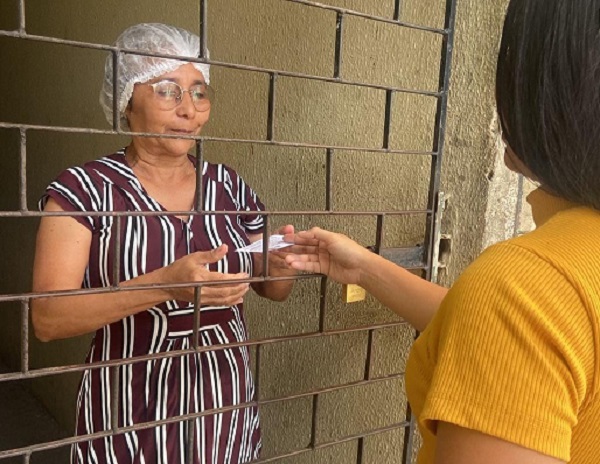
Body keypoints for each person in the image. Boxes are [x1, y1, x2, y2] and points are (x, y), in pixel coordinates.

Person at [284, 1, 600, 463]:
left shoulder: (527, 285)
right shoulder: (547, 287)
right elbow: (506, 333)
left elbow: (515, 320)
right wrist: (365, 267)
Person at [31, 23, 295, 464]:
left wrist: (283, 264)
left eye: (199, 92)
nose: (189, 110)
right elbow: (47, 318)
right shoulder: (86, 190)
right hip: (127, 411)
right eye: (168, 91)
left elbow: (273, 288)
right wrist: (165, 285)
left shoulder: (228, 186)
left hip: (221, 409)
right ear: (127, 99)